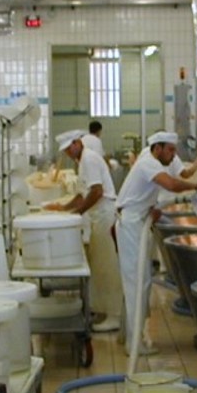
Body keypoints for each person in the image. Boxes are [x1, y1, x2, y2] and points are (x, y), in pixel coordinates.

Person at [114, 131, 197, 355]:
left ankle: (128, 336)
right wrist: (196, 187)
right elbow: (170, 184)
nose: (174, 155)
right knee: (138, 282)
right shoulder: (148, 163)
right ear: (158, 148)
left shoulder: (153, 158)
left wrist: (151, 208)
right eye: (170, 150)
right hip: (131, 225)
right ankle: (134, 344)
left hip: (136, 220)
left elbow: (166, 182)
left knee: (138, 280)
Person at [47, 129, 123, 332]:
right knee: (99, 266)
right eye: (65, 151)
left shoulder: (88, 159)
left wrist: (78, 213)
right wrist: (64, 208)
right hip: (99, 217)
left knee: (107, 267)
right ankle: (102, 309)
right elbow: (82, 194)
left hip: (105, 216)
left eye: (69, 148)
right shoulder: (82, 161)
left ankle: (114, 315)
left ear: (77, 143)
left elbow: (97, 192)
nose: (68, 153)